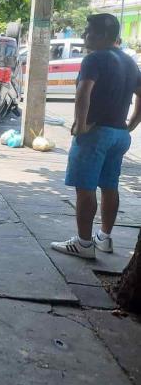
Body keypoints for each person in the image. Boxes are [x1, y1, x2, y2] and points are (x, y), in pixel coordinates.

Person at [51, 14, 141, 259]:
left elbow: (83, 92)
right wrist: (131, 124)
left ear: (102, 35)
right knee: (110, 185)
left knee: (85, 187)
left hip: (95, 132)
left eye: (88, 31)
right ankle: (105, 237)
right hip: (119, 135)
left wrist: (81, 125)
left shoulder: (94, 59)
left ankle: (83, 242)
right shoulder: (130, 62)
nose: (84, 36)